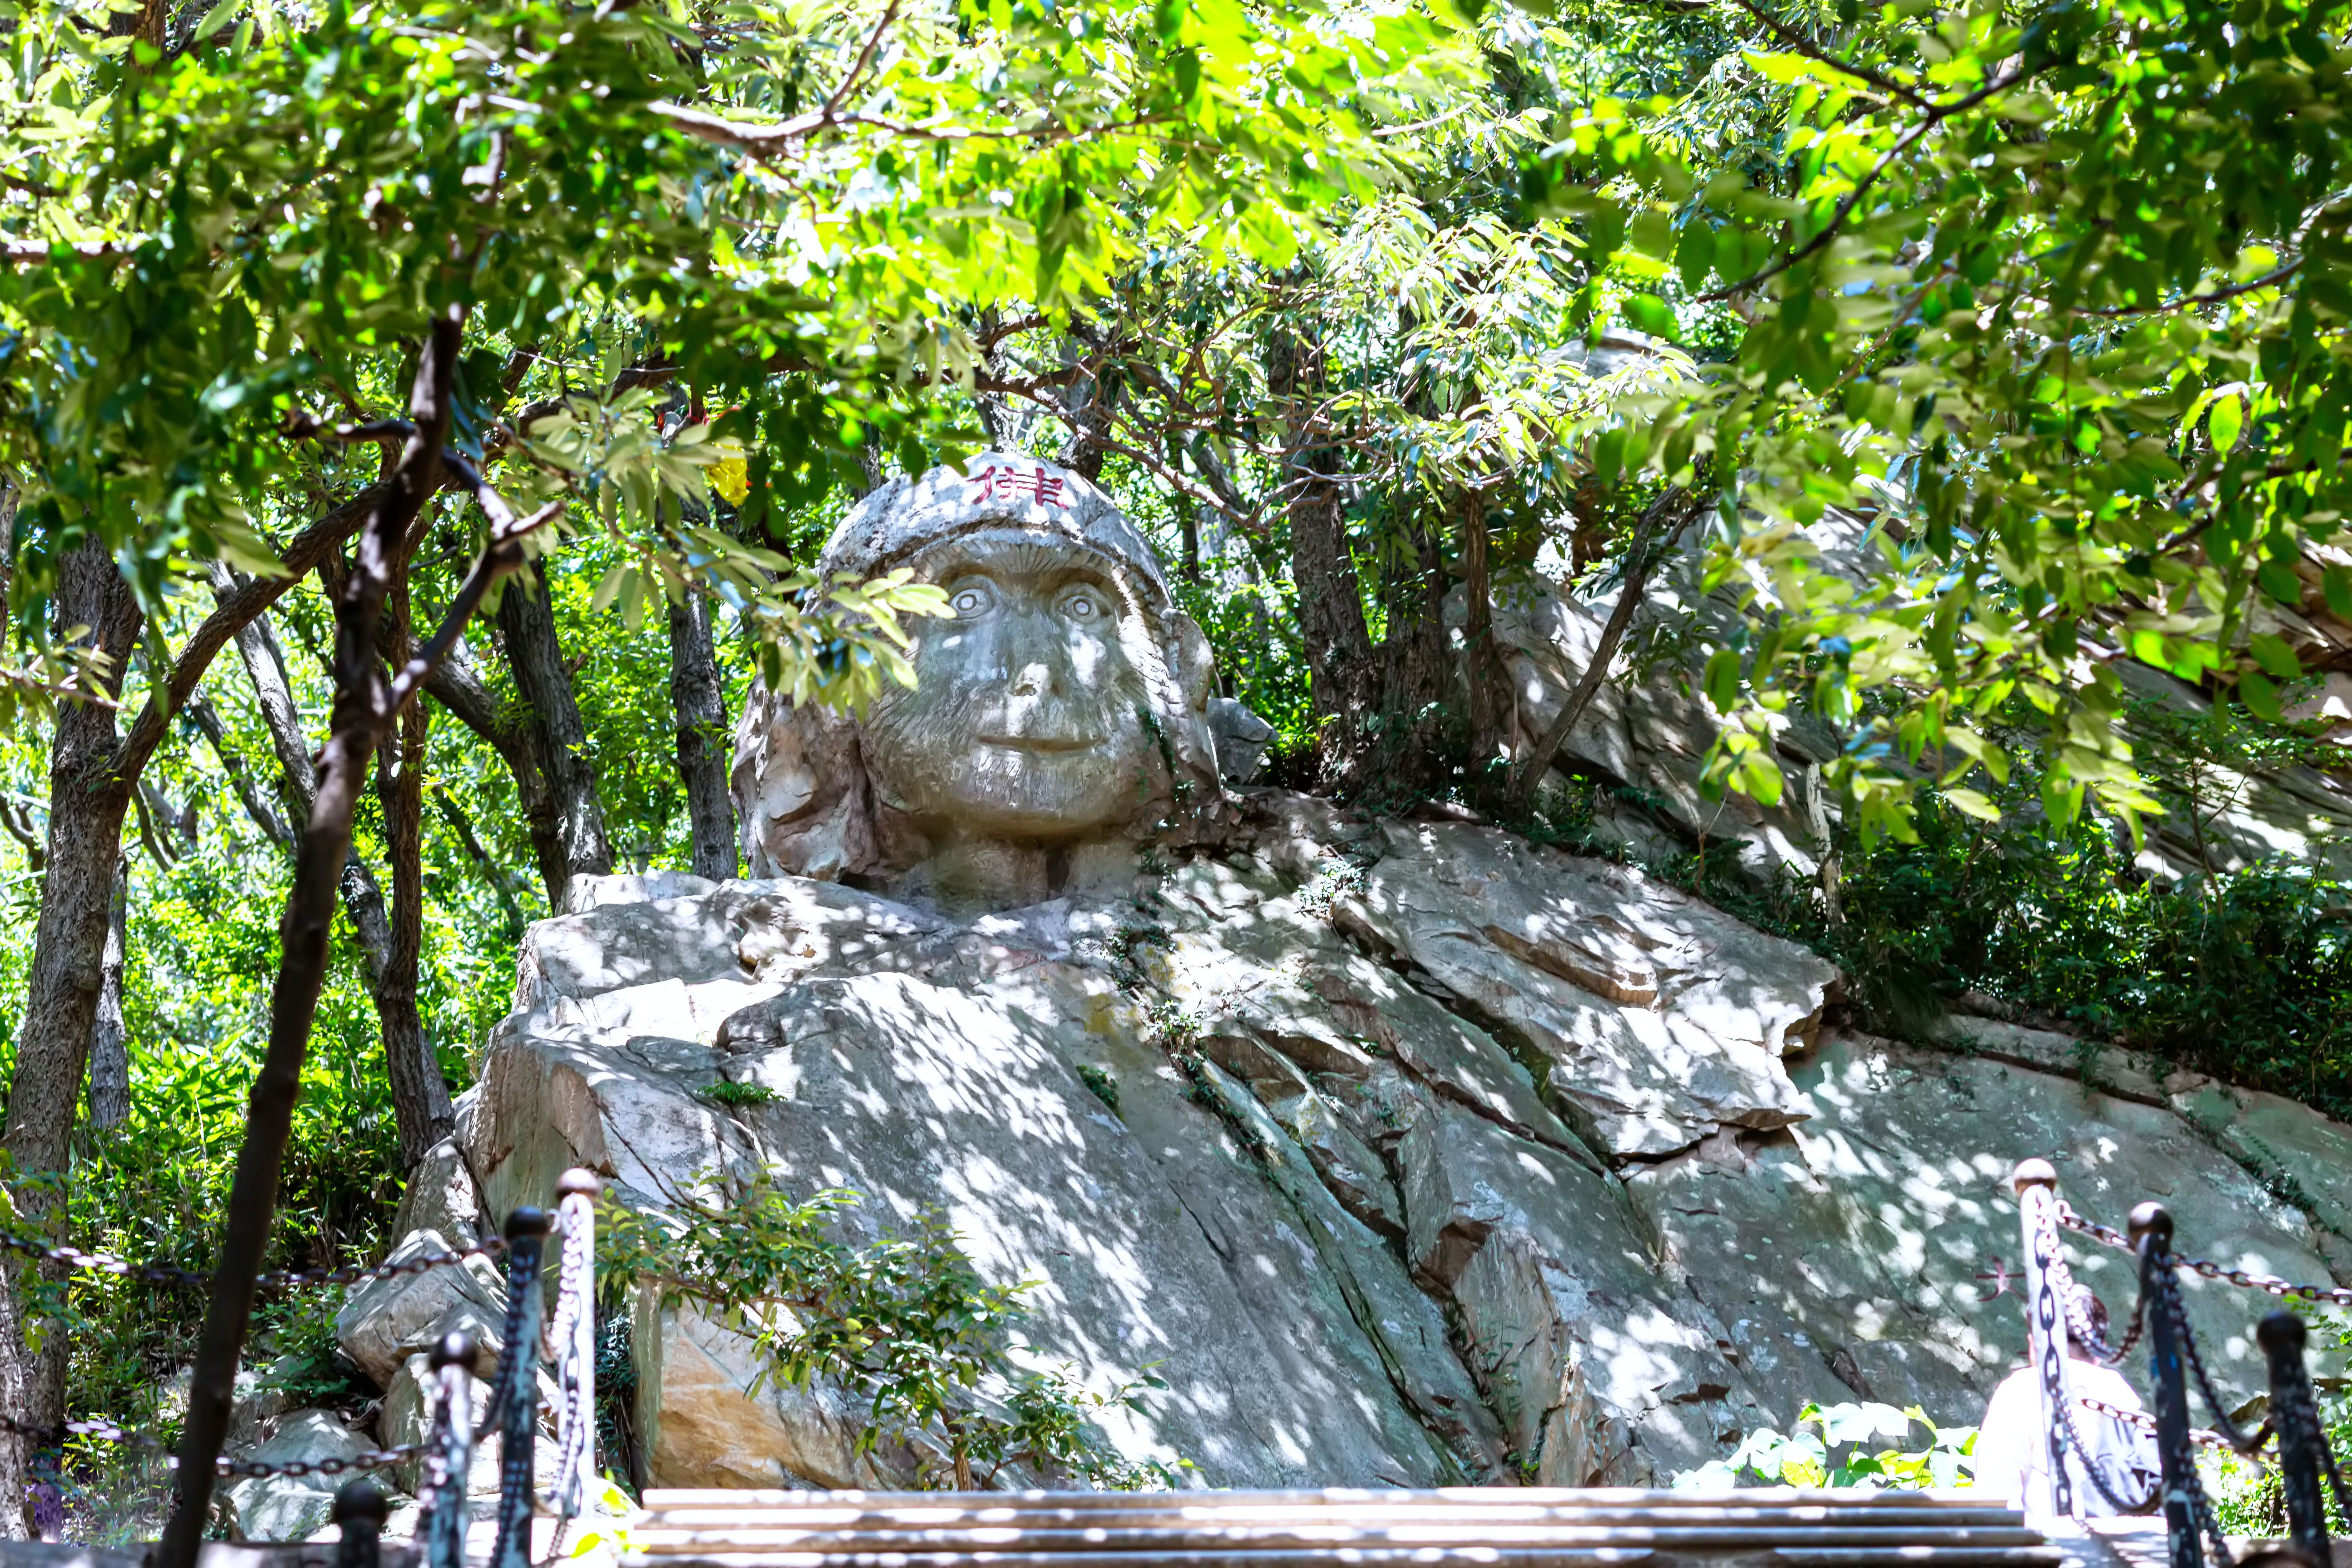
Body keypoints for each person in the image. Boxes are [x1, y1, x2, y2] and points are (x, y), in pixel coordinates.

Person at [1972, 1284, 2161, 1517]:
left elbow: (1993, 1499)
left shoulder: (2023, 1389)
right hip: (2125, 1547)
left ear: (2035, 1344)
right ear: (2099, 1350)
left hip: (2049, 1547)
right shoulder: (2123, 1396)